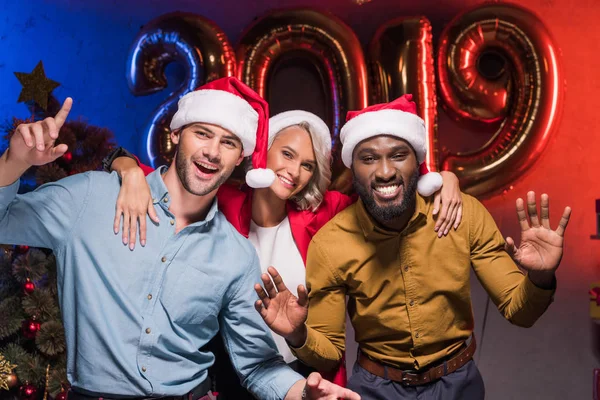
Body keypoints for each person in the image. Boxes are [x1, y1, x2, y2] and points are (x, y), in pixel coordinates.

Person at [0, 77, 359, 400]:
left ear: (240, 159)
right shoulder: (91, 198)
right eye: (201, 133)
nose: (213, 152)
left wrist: (305, 394)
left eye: (229, 142)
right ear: (174, 134)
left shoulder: (236, 254)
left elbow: (257, 366)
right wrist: (14, 162)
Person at [107, 108, 463, 398]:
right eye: (287, 154)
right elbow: (155, 174)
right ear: (264, 152)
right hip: (231, 374)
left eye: (308, 165)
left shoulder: (326, 212)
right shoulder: (223, 199)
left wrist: (445, 179)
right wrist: (125, 167)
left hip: (303, 374)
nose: (294, 171)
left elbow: (385, 192)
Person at [252, 94, 572, 400]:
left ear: (417, 162)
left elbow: (520, 311)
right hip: (376, 389)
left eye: (398, 155)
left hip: (459, 384)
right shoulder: (332, 241)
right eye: (368, 158)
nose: (385, 171)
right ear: (353, 170)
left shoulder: (463, 214)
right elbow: (329, 353)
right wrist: (297, 335)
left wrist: (540, 278)